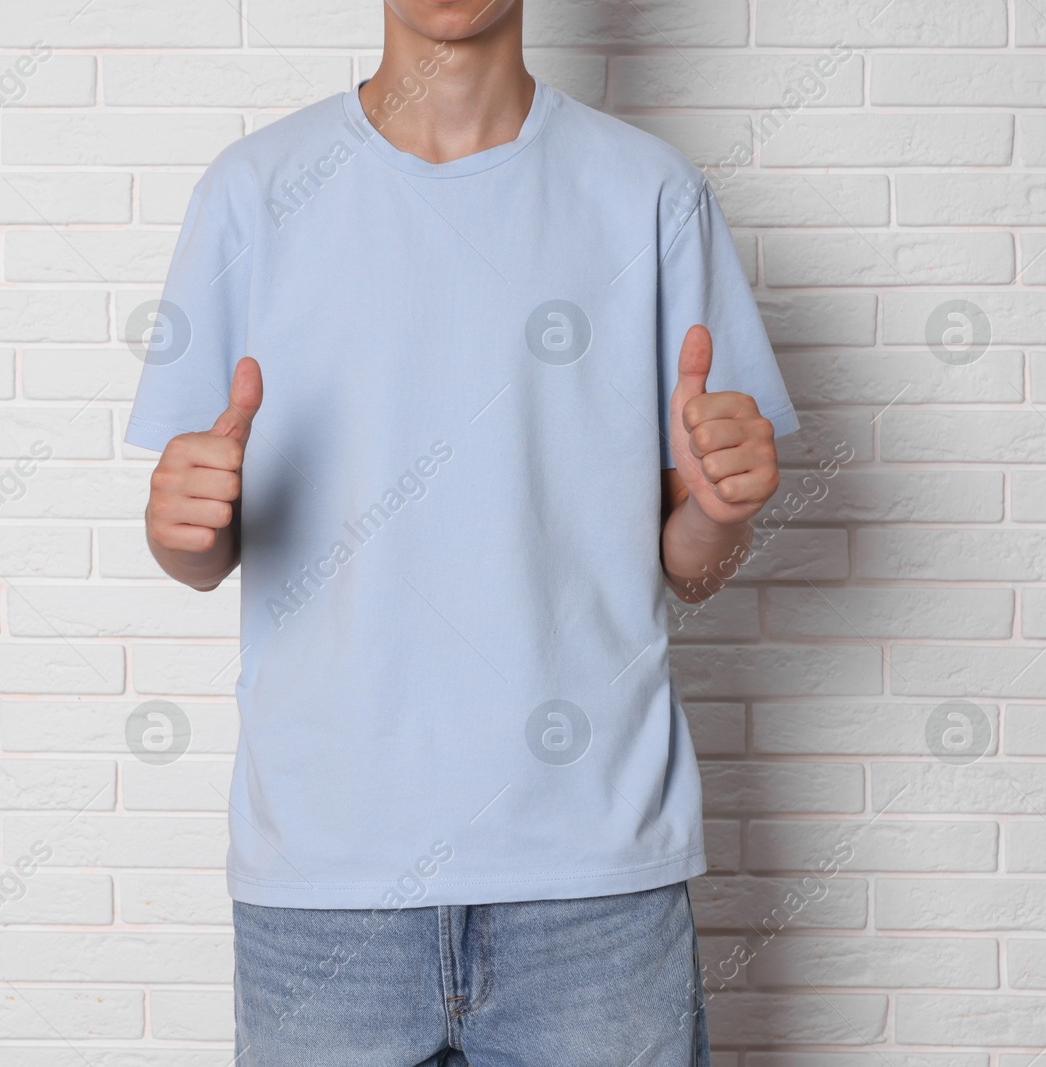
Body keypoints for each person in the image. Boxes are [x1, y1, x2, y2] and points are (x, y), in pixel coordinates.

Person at [125, 1, 797, 1062]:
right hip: (324, 888)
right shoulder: (252, 193)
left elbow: (691, 564)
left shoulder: (650, 195)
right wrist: (180, 527)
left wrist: (719, 510)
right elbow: (197, 546)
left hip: (592, 889)